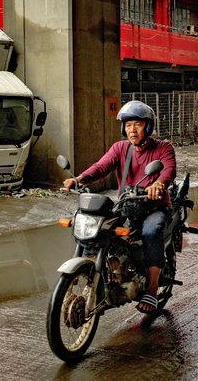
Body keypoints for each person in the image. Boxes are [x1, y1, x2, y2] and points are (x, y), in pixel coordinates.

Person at [63, 100, 176, 314]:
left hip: (155, 207)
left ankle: (151, 290)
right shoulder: (120, 148)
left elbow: (168, 171)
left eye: (138, 124)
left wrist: (159, 184)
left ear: (148, 126)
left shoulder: (163, 148)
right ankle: (105, 274)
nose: (132, 130)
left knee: (151, 231)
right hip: (127, 205)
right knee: (100, 230)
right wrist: (79, 179)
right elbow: (101, 167)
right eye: (128, 125)